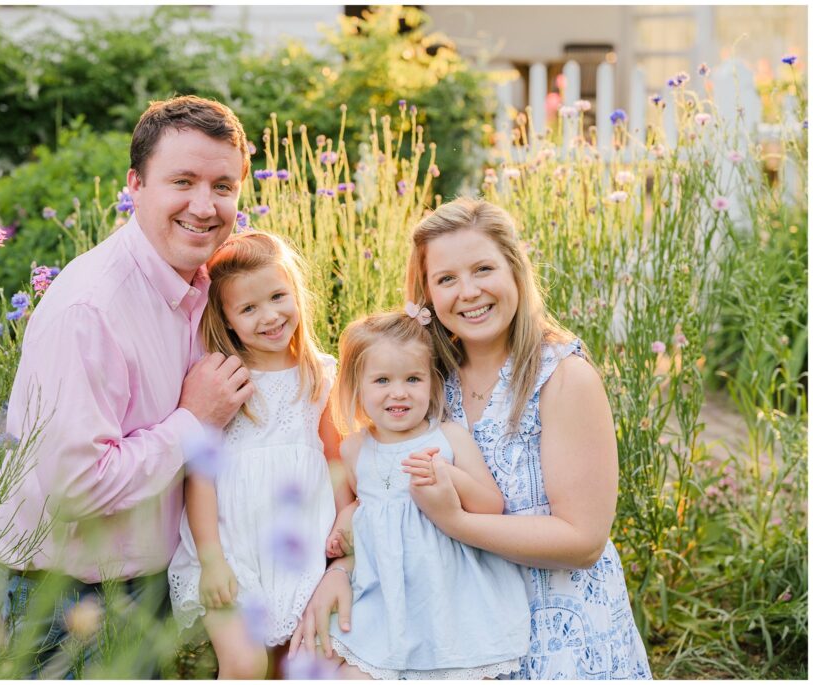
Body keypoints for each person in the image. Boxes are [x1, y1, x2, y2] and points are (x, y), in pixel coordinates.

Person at [292, 197, 652, 680]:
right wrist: (341, 568)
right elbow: (381, 494)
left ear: (515, 269)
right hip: (447, 630)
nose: (469, 292)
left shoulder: (562, 377)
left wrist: (456, 521)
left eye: (483, 268)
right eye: (446, 279)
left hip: (556, 633)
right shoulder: (426, 377)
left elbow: (583, 540)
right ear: (426, 295)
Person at [0, 95, 254, 678]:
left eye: (224, 186)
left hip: (151, 586)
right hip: (65, 603)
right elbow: (75, 488)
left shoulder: (213, 286)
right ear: (135, 185)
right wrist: (193, 421)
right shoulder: (92, 308)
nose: (205, 206)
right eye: (182, 181)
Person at [166, 231, 345, 679]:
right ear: (225, 319)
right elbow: (201, 476)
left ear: (296, 293)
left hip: (300, 550)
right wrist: (212, 561)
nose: (270, 316)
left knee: (302, 664)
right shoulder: (221, 378)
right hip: (229, 552)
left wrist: (344, 541)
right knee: (244, 664)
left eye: (278, 297)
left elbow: (337, 463)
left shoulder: (320, 375)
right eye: (248, 308)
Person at [323, 310, 530, 679]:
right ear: (358, 385)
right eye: (382, 380)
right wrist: (343, 528)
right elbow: (361, 504)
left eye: (413, 379)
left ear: (432, 384)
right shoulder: (354, 449)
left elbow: (490, 504)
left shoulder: (447, 438)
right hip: (385, 601)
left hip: (450, 599)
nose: (398, 392)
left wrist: (449, 476)